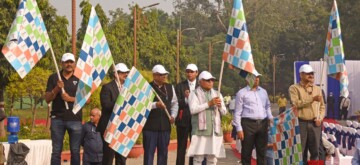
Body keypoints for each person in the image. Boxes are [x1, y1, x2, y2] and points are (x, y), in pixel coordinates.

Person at [45, 53, 82, 165]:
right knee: (56, 151)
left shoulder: (80, 78)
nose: (69, 64)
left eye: (71, 62)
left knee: (75, 151)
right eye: (66, 62)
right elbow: (47, 99)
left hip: (75, 119)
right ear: (61, 63)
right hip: (57, 119)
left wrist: (70, 99)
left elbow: (87, 99)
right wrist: (57, 88)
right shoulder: (54, 77)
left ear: (75, 64)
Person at [187, 71, 227, 165]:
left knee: (212, 159)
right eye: (208, 80)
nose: (211, 82)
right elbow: (193, 110)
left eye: (212, 80)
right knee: (198, 158)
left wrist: (220, 106)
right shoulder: (194, 93)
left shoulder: (217, 94)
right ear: (200, 81)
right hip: (200, 131)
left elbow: (224, 112)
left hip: (214, 131)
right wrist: (209, 104)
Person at [233, 73, 273, 165]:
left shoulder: (263, 92)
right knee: (246, 152)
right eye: (254, 77)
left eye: (258, 77)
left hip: (263, 124)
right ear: (247, 79)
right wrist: (239, 129)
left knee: (262, 152)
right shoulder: (242, 93)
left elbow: (267, 107)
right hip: (248, 125)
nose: (256, 79)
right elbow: (237, 112)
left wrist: (271, 118)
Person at [288, 64, 325, 163]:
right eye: (308, 73)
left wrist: (320, 118)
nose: (311, 75)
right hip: (301, 123)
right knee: (300, 151)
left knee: (316, 151)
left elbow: (322, 107)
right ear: (301, 75)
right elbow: (296, 104)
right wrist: (312, 99)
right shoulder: (294, 88)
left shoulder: (318, 89)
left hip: (315, 123)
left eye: (312, 73)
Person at [143, 64, 178, 165]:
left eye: (165, 74)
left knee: (163, 154)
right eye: (162, 75)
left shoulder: (170, 87)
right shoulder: (147, 87)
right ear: (155, 76)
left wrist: (173, 115)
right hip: (150, 127)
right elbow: (142, 104)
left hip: (165, 127)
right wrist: (155, 105)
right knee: (149, 154)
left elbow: (174, 103)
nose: (164, 76)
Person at [98, 63, 129, 165]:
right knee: (108, 157)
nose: (126, 74)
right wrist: (119, 99)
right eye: (123, 73)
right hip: (109, 127)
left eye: (127, 72)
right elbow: (106, 106)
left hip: (122, 127)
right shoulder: (107, 87)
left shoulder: (128, 89)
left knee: (121, 158)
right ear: (116, 74)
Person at [175, 64, 199, 165]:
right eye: (188, 71)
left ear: (197, 73)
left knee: (194, 147)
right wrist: (186, 98)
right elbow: (176, 103)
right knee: (181, 147)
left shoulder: (201, 86)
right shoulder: (180, 86)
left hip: (196, 121)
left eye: (192, 72)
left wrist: (192, 98)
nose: (189, 74)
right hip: (183, 121)